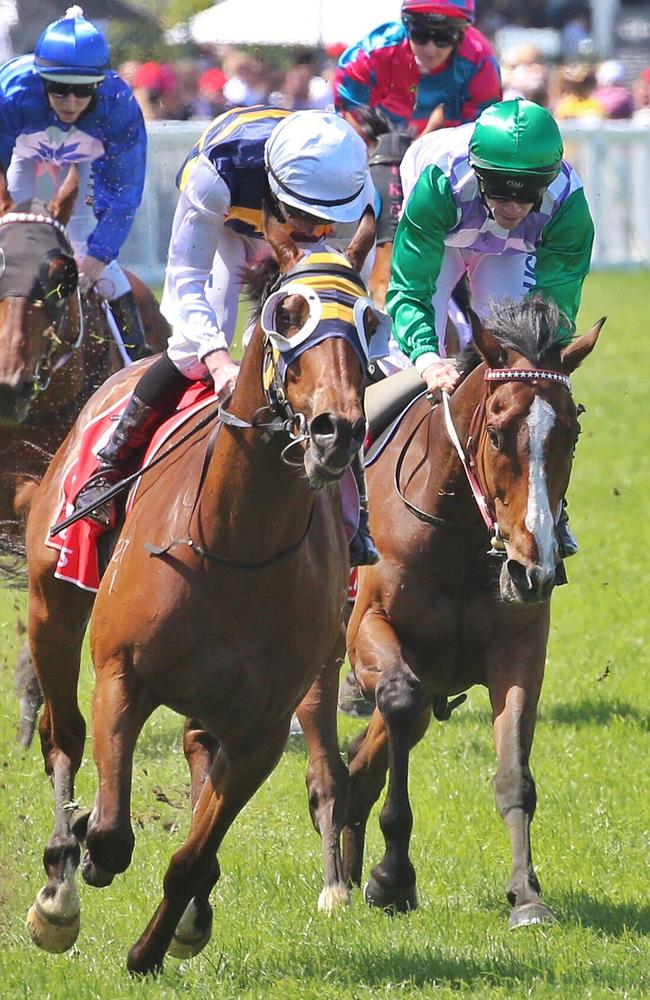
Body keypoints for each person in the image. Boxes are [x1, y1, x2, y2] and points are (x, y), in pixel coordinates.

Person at [73, 107, 380, 566]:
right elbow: (185, 278)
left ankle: (355, 514)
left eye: (326, 219)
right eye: (302, 213)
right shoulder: (217, 173)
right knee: (190, 353)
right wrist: (218, 360)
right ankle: (110, 465)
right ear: (276, 185)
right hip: (230, 231)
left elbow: (345, 301)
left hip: (299, 252)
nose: (314, 229)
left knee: (319, 369)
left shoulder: (353, 187)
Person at [387, 98, 595, 556]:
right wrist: (425, 357)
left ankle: (545, 510)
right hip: (440, 237)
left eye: (527, 194)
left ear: (548, 182)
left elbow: (551, 312)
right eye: (500, 191)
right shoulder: (440, 180)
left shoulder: (568, 205)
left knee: (522, 378)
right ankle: (362, 497)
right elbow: (410, 290)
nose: (514, 205)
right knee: (402, 365)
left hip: (509, 253)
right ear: (478, 173)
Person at [0, 5, 149, 360]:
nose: (71, 101)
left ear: (100, 85)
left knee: (86, 246)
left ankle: (134, 358)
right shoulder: (11, 91)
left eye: (83, 92)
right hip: (24, 147)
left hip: (86, 156)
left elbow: (122, 196)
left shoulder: (118, 106)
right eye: (60, 89)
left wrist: (96, 261)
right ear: (40, 81)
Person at [333, 0, 502, 138]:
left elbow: (480, 135)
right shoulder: (372, 54)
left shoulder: (481, 63)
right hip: (379, 143)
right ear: (406, 27)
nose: (430, 49)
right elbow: (350, 116)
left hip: (443, 146)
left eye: (444, 38)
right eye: (420, 34)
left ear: (461, 35)